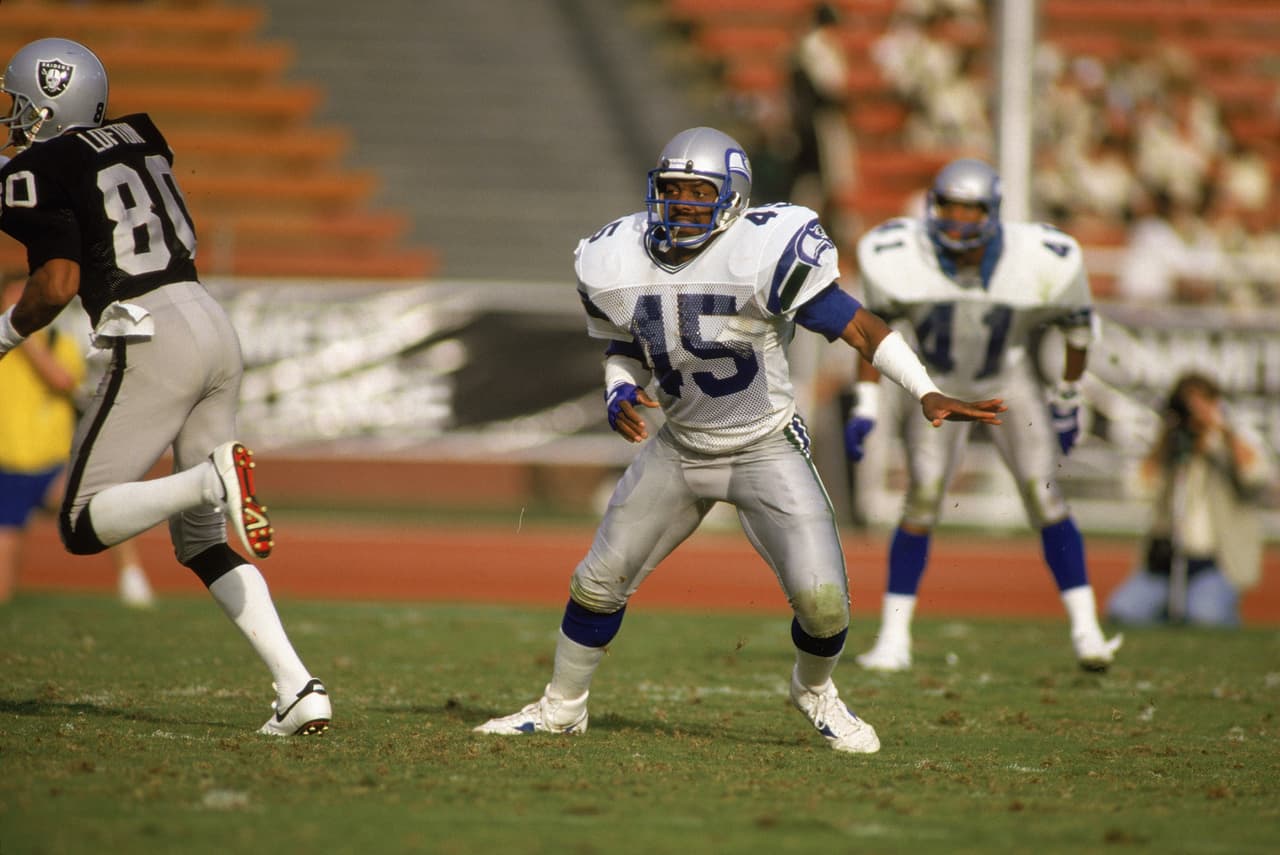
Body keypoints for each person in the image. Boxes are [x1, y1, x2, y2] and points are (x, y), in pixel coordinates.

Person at [472, 127, 1004, 753]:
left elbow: (858, 328)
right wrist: (618, 389)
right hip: (679, 446)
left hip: (765, 446)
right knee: (596, 582)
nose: (682, 204)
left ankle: (814, 690)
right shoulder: (614, 258)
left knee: (825, 605)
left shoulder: (765, 251)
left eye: (698, 192)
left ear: (733, 199)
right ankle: (563, 707)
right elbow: (625, 345)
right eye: (672, 191)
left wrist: (925, 391)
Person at [0, 38, 329, 735]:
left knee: (82, 523)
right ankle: (299, 686)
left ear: (50, 105)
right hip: (210, 319)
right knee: (200, 542)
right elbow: (65, 176)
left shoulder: (45, 164)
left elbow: (55, 283)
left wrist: (3, 335)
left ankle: (210, 481)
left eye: (23, 107)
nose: (15, 120)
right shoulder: (134, 139)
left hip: (151, 330)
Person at [847, 157, 1124, 673]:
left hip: (1008, 383)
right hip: (934, 386)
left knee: (1044, 498)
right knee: (922, 499)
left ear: (992, 213)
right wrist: (866, 404)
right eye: (947, 208)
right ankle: (893, 639)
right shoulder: (899, 254)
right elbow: (871, 333)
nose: (955, 220)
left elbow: (1079, 330)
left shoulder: (1040, 258)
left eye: (968, 211)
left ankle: (1088, 632)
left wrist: (1067, 397)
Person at [0, 274, 155, 607]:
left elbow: (62, 379)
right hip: (9, 464)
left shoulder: (56, 340)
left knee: (99, 506)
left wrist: (23, 336)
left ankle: (132, 577)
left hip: (52, 461)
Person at [1106, 373, 1275, 627]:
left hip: (1215, 562)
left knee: (1205, 618)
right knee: (1124, 612)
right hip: (1165, 560)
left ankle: (1206, 612)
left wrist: (1221, 430)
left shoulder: (1228, 445)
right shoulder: (1170, 449)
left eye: (1201, 403)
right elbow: (1138, 488)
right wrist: (1165, 439)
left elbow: (1256, 476)